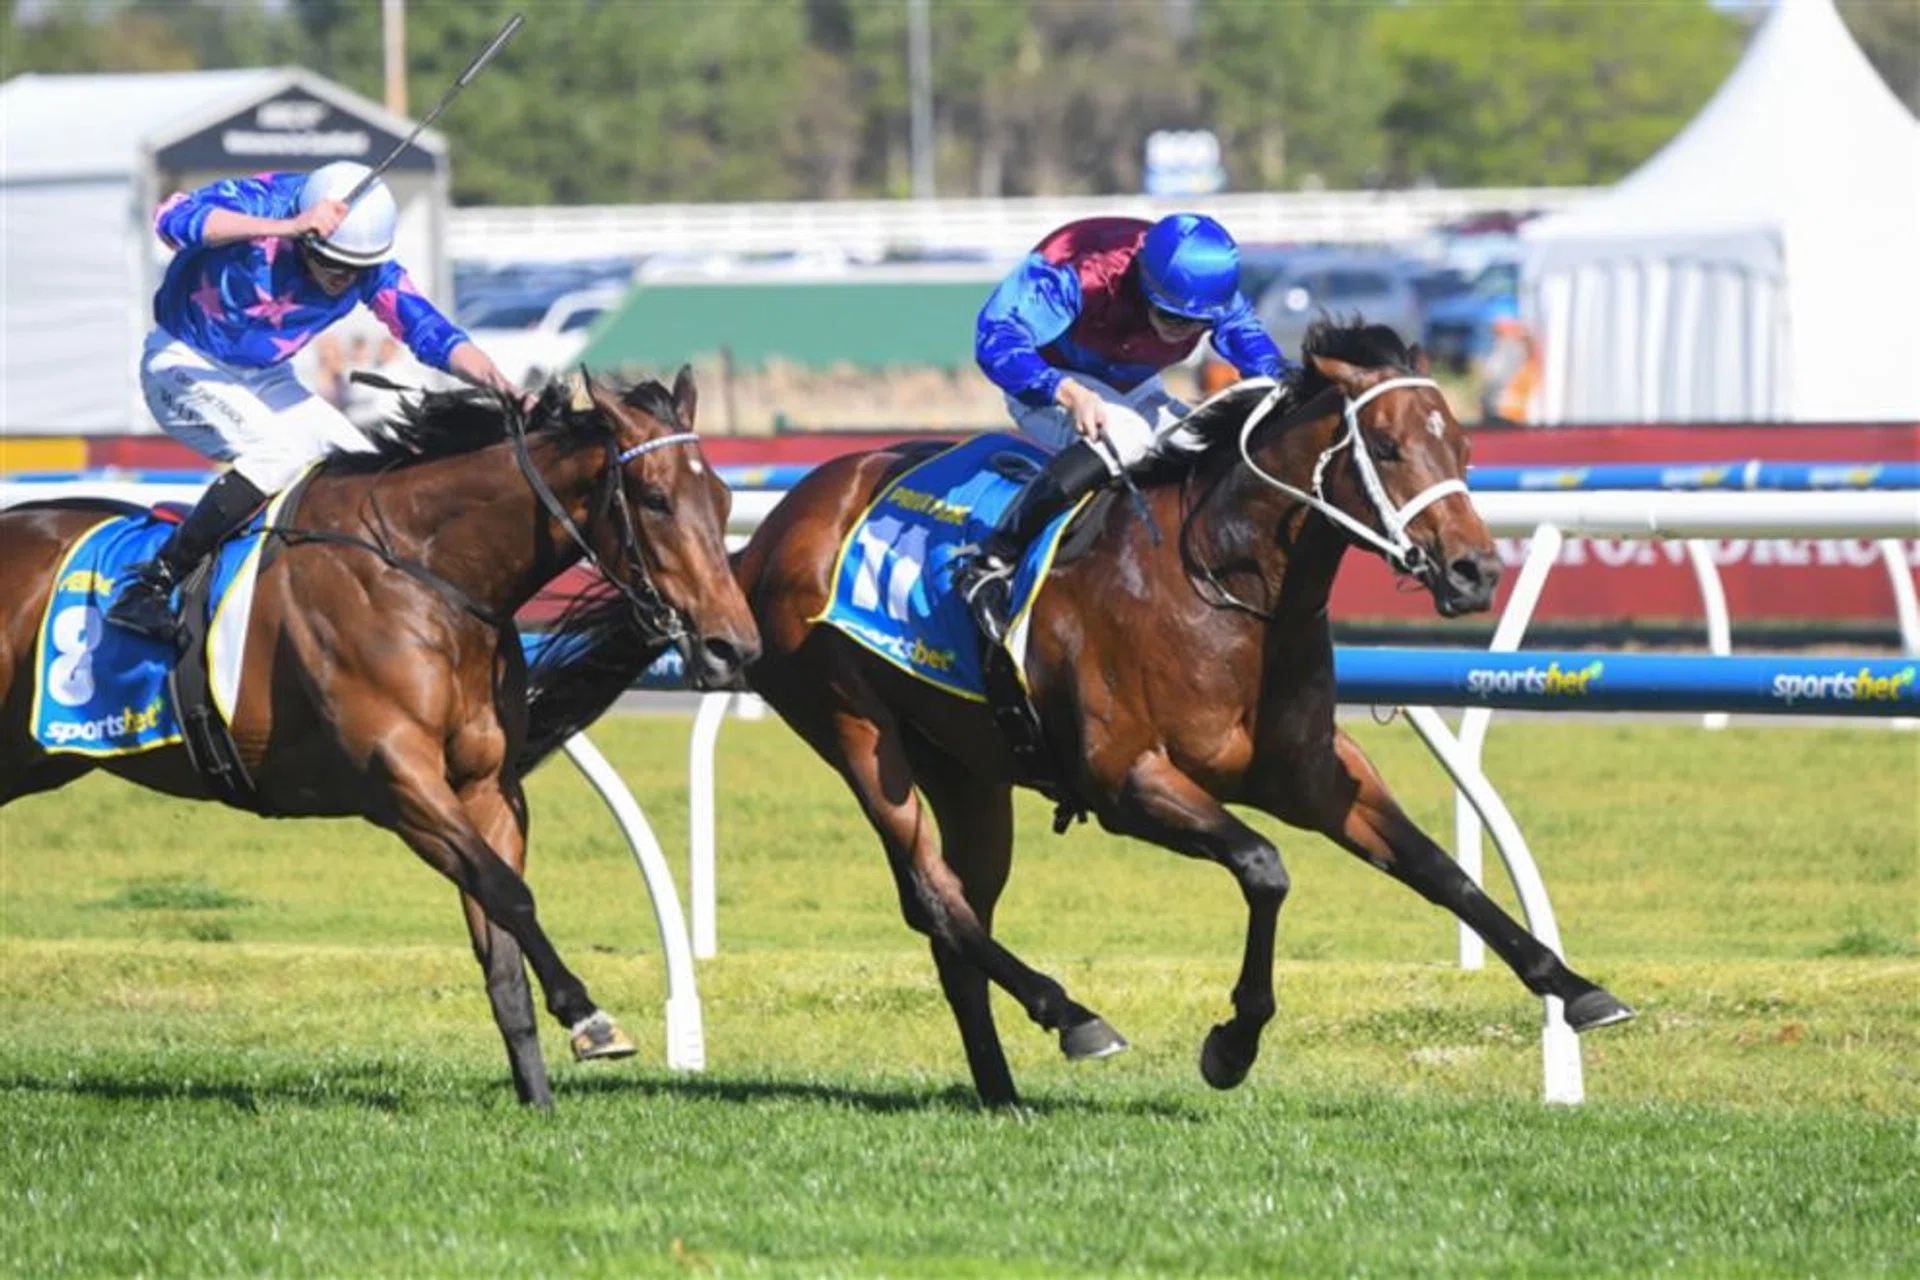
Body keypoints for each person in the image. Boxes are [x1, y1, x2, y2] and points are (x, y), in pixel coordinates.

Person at [106, 160, 526, 641]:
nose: (342, 280)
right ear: (307, 239)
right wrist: (288, 226)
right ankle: (150, 585)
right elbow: (173, 220)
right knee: (277, 459)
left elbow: (431, 331)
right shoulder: (270, 203)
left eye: (355, 271)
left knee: (367, 469)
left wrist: (504, 388)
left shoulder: (367, 267)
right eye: (332, 265)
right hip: (183, 361)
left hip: (266, 376)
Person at [952, 212, 1296, 644]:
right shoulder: (1084, 269)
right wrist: (1064, 391)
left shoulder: (1207, 288)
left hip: (1134, 383)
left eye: (1199, 324)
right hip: (1049, 382)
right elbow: (995, 336)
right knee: (1127, 435)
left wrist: (1289, 391)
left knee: (1199, 441)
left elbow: (1260, 357)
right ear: (1145, 284)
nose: (1186, 332)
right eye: (1173, 319)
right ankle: (992, 562)